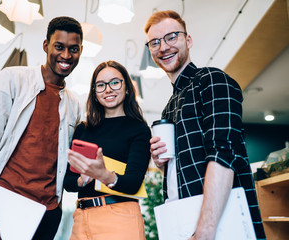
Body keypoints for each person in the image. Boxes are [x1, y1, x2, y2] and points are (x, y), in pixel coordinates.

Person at [144, 10, 266, 240]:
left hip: (219, 225)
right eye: (155, 42)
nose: (163, 47)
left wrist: (204, 232)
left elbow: (223, 154)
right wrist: (163, 165)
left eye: (172, 37)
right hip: (182, 221)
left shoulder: (211, 80)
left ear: (188, 40)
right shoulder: (168, 108)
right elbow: (184, 170)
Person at [0, 16, 83, 240]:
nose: (66, 56)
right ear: (46, 45)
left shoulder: (75, 105)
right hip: (2, 205)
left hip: (47, 215)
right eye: (59, 46)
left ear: (80, 50)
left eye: (73, 49)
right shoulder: (12, 79)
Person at [63, 60, 151, 240]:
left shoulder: (139, 129)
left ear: (127, 88)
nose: (108, 89)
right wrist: (81, 179)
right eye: (101, 85)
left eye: (115, 82)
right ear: (94, 93)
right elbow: (67, 181)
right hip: (81, 218)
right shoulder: (83, 129)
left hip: (119, 218)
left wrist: (104, 175)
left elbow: (133, 182)